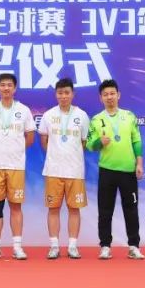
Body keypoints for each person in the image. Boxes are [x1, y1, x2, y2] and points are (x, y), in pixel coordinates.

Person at [0, 73, 36, 260]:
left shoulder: (24, 110)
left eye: (9, 85)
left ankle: (17, 247)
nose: (6, 88)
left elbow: (30, 137)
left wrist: (15, 149)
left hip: (16, 166)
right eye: (2, 85)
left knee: (16, 206)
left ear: (15, 88)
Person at [86, 79, 145, 260]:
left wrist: (139, 164)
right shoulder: (96, 120)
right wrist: (99, 142)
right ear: (101, 98)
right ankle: (105, 246)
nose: (109, 97)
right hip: (107, 170)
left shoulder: (129, 116)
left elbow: (137, 141)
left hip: (128, 170)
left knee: (131, 210)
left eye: (112, 93)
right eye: (105, 94)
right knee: (105, 211)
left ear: (118, 95)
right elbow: (89, 145)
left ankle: (134, 246)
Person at [38, 77, 90, 259]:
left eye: (67, 92)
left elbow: (84, 142)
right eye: (60, 93)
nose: (63, 96)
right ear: (56, 95)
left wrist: (71, 155)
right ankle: (54, 246)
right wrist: (57, 155)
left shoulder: (82, 115)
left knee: (74, 209)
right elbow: (44, 141)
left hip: (75, 171)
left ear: (73, 94)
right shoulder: (48, 115)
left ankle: (72, 246)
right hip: (53, 170)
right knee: (53, 209)